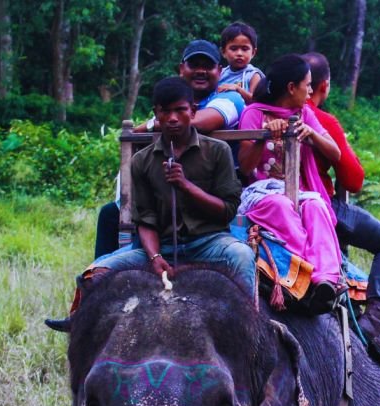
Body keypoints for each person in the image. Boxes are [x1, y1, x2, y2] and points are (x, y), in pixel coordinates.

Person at [45, 78, 253, 331]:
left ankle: (249, 325)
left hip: (209, 242)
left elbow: (227, 210)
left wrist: (186, 186)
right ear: (156, 115)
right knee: (95, 272)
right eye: (165, 112)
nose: (173, 118)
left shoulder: (217, 151)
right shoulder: (142, 160)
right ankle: (84, 328)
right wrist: (154, 256)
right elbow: (145, 219)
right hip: (162, 245)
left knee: (241, 255)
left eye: (180, 110)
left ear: (193, 112)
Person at [93, 39, 246, 259]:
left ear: (219, 71)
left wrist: (152, 124)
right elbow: (145, 214)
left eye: (208, 65)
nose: (201, 71)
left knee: (240, 253)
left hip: (213, 193)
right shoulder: (167, 96)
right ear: (181, 69)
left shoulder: (229, 98)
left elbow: (203, 122)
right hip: (161, 206)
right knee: (110, 217)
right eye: (194, 65)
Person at [301, 51, 380, 364]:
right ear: (324, 86)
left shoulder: (259, 111)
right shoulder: (321, 120)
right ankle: (375, 319)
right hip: (318, 206)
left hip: (260, 203)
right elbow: (354, 180)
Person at [237, 54, 343, 306]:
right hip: (262, 193)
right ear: (291, 87)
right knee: (281, 206)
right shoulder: (254, 113)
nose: (309, 92)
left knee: (316, 207)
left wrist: (313, 136)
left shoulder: (305, 113)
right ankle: (299, 274)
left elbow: (335, 152)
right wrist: (264, 136)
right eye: (306, 85)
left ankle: (326, 279)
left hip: (299, 191)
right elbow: (245, 166)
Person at [217, 22, 264, 103]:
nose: (239, 53)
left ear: (253, 52)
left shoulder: (253, 75)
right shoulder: (220, 74)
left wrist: (238, 89)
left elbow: (256, 101)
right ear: (223, 52)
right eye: (234, 48)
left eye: (245, 49)